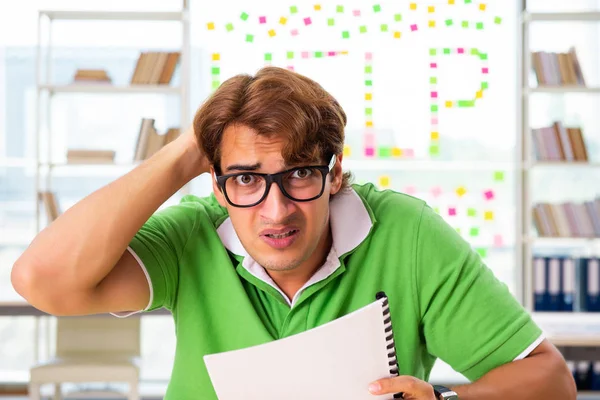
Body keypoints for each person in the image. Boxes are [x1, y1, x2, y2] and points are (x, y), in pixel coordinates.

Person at [12, 66, 575, 399]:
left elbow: (551, 380)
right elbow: (42, 280)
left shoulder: (408, 234)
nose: (275, 210)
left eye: (299, 173)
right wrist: (187, 149)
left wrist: (448, 398)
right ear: (216, 182)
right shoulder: (192, 236)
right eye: (246, 178)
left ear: (333, 173)